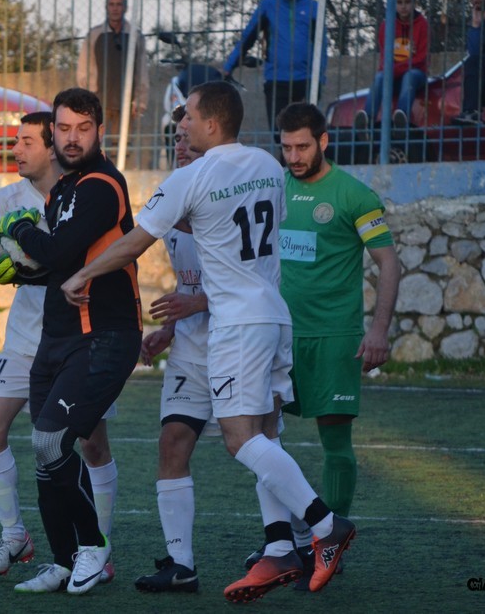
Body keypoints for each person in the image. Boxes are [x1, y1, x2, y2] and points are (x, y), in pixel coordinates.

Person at [61, 81, 355, 602]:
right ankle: (279, 547)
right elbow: (239, 225)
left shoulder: (193, 177)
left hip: (236, 324)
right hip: (272, 316)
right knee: (263, 434)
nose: (182, 125)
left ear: (212, 124)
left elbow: (134, 242)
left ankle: (325, 526)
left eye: (189, 117)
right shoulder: (268, 166)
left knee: (241, 439)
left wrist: (83, 274)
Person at [0, 111, 119, 583]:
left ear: (50, 147)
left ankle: (99, 548)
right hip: (25, 339)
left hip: (79, 336)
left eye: (26, 142)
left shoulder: (84, 194)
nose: (15, 150)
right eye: (15, 141)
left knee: (92, 443)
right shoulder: (6, 198)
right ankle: (14, 536)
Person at [0, 89, 142, 596]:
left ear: (100, 130)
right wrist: (14, 267)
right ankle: (61, 561)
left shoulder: (102, 185)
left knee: (52, 442)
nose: (72, 138)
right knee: (45, 453)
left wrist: (19, 229)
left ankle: (94, 546)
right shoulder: (62, 189)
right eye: (63, 128)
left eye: (83, 128)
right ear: (53, 131)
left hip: (103, 336)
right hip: (56, 336)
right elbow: (58, 267)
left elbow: (59, 251)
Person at [275, 102, 399, 584]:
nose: (294, 157)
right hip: (278, 334)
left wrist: (378, 331)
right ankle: (281, 542)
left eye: (302, 146)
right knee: (262, 435)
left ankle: (331, 542)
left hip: (333, 336)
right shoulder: (275, 187)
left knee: (335, 439)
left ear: (323, 141)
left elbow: (388, 263)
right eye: (286, 147)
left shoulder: (353, 195)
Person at [133, 108, 209, 594]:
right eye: (175, 138)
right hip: (191, 350)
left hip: (241, 344)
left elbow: (259, 282)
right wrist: (171, 328)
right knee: (172, 441)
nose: (179, 146)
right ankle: (182, 565)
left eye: (188, 136)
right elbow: (190, 281)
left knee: (256, 445)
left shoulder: (232, 197)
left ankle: (302, 539)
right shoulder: (173, 200)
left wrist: (195, 303)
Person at [224, 0, 327, 142]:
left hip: (306, 79)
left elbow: (321, 45)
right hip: (277, 80)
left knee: (304, 132)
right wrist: (229, 66)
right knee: (279, 132)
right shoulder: (268, 6)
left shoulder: (313, 8)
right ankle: (286, 160)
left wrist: (320, 78)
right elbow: (248, 37)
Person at [354, 0, 429, 138]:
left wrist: (394, 70)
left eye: (407, 2)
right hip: (393, 74)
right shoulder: (387, 25)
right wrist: (390, 71)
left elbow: (420, 58)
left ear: (414, 3)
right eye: (399, 2)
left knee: (409, 76)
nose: (403, 7)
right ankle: (367, 121)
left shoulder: (422, 25)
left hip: (415, 73)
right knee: (380, 77)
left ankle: (401, 119)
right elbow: (385, 56)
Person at [77, 0, 150, 148]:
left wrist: (140, 100)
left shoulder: (135, 36)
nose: (115, 8)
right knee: (94, 145)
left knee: (123, 148)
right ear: (106, 7)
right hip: (98, 100)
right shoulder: (94, 35)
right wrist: (87, 98)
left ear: (125, 8)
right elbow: (83, 68)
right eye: (111, 4)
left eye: (119, 4)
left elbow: (141, 71)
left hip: (127, 102)